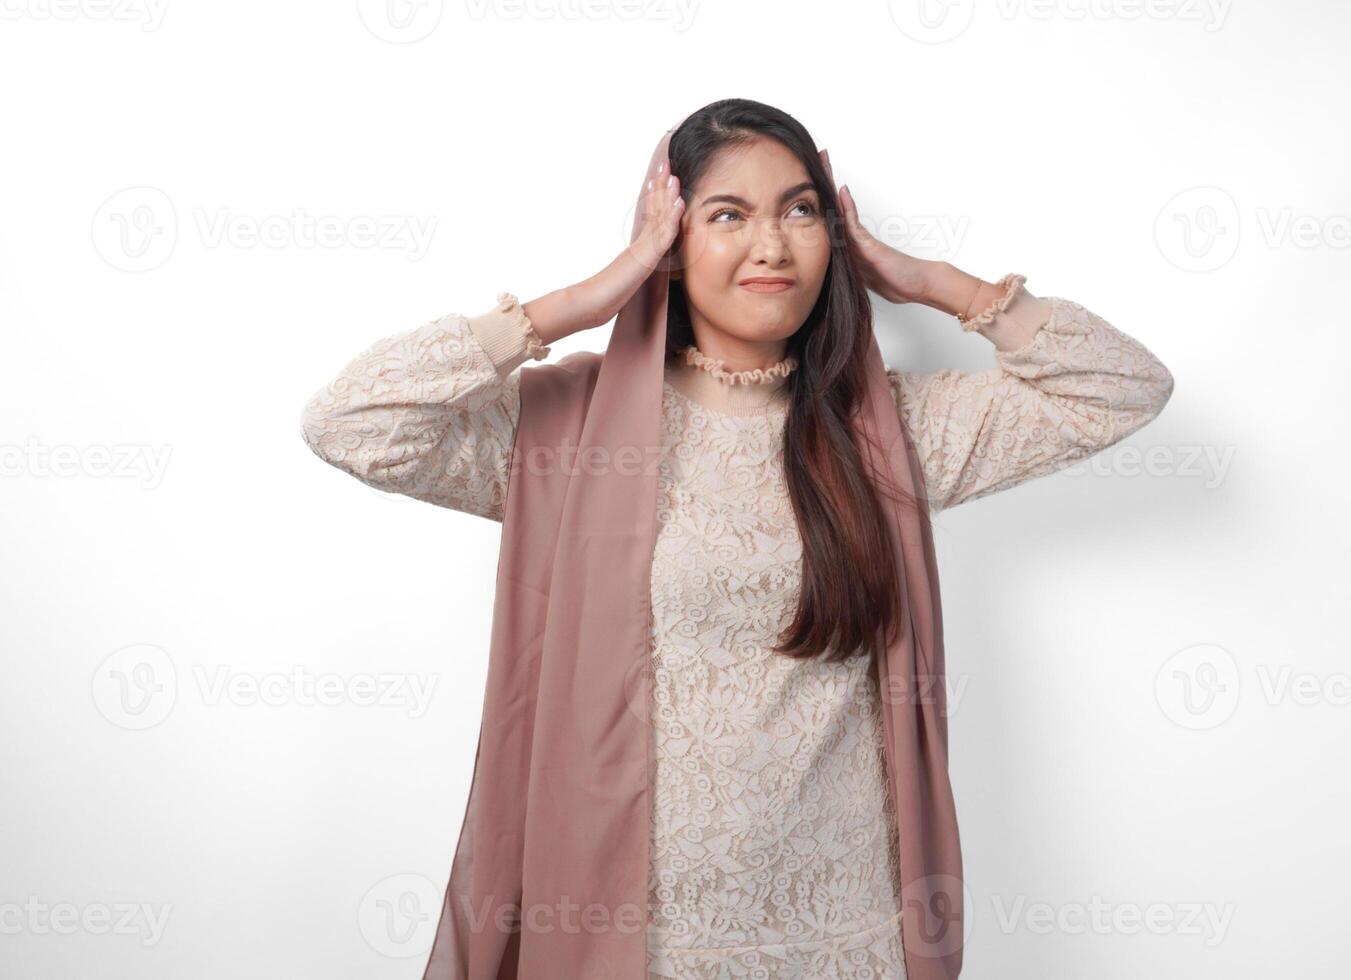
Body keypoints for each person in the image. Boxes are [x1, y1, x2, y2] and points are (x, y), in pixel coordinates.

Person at [300, 98, 1174, 979]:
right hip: (635, 942)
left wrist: (933, 282)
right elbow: (355, 422)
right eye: (728, 216)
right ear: (670, 245)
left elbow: (1121, 390)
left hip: (845, 937)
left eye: (801, 211)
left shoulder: (890, 434)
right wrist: (586, 298)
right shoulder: (571, 433)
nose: (773, 245)